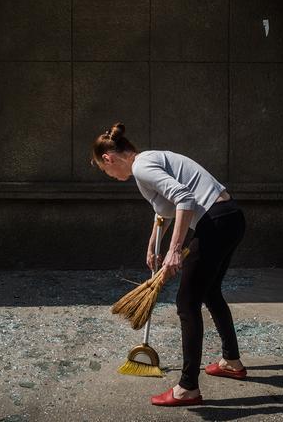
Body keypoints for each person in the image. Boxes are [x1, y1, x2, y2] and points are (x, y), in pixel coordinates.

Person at [92, 122, 248, 406]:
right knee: (211, 292)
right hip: (231, 217)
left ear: (108, 158)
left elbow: (184, 200)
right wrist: (154, 244)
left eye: (106, 171)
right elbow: (164, 210)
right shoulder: (149, 161)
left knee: (187, 304)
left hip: (215, 222)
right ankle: (231, 361)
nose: (111, 176)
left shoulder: (141, 167)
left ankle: (188, 387)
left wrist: (175, 250)